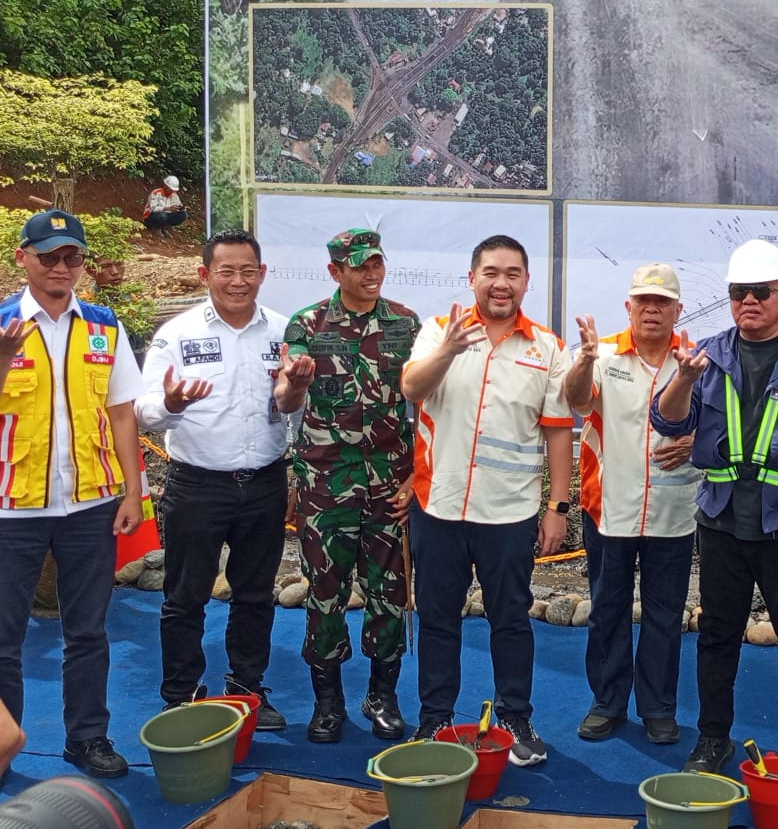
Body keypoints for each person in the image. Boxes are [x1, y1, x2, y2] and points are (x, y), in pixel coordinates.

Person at [652, 239, 778, 783]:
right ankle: (712, 737)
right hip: (722, 523)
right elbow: (669, 423)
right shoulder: (708, 357)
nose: (749, 301)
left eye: (761, 292)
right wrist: (683, 379)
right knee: (717, 635)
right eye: (739, 293)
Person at [400, 234, 572, 766]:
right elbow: (411, 387)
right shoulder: (438, 330)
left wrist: (557, 507)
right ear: (472, 277)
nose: (502, 283)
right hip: (439, 506)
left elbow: (560, 432)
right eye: (491, 272)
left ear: (526, 282)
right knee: (437, 617)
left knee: (512, 619)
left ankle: (515, 718)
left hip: (510, 511)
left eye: (513, 273)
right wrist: (450, 350)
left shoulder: (546, 347)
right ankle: (434, 722)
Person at [136, 229, 302, 731]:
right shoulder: (176, 334)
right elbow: (144, 412)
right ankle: (181, 695)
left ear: (262, 274)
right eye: (226, 271)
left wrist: (295, 388)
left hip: (265, 483)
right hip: (197, 487)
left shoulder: (283, 331)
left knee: (255, 595)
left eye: (248, 271)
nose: (237, 281)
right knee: (185, 597)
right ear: (205, 274)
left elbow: (296, 409)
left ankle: (247, 689)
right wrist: (173, 403)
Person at [0, 209, 145, 778]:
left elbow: (122, 412)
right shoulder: (3, 322)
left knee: (88, 631)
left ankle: (87, 737)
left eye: (72, 257)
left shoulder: (104, 326)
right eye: (49, 256)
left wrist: (134, 493)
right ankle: (5, 743)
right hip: (13, 507)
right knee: (4, 638)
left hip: (91, 504)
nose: (62, 267)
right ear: (23, 259)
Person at [275, 229, 420, 744]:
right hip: (324, 487)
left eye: (377, 263)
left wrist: (416, 475)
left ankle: (383, 697)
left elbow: (425, 405)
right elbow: (286, 399)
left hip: (387, 486)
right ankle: (328, 702)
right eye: (359, 266)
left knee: (389, 594)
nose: (372, 274)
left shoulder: (405, 324)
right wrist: (294, 381)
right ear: (336, 271)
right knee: (325, 594)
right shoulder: (308, 324)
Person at [563, 263, 701, 746]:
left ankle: (659, 708)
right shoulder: (600, 356)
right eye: (643, 301)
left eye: (662, 302)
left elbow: (716, 425)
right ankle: (607, 702)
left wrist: (698, 439)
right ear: (629, 306)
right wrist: (581, 359)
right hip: (609, 508)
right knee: (608, 609)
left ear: (677, 310)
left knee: (666, 614)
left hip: (674, 510)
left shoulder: (697, 361)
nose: (652, 310)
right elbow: (578, 403)